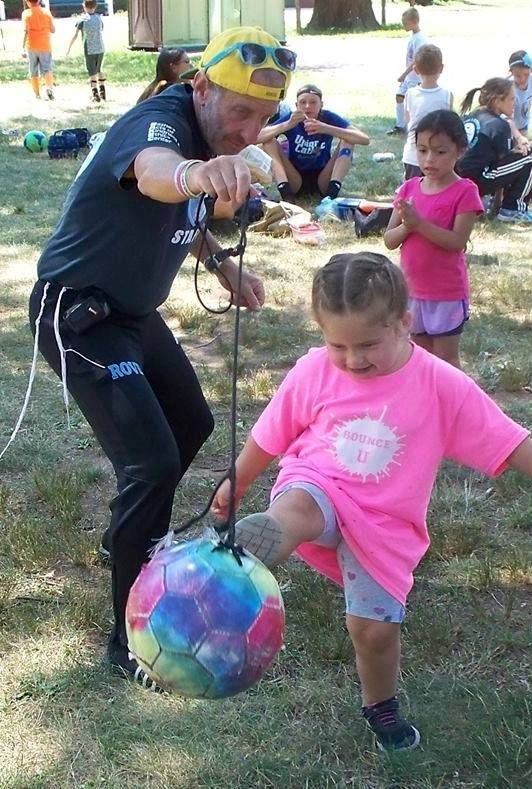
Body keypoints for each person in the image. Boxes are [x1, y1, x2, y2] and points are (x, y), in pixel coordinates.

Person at [210, 252, 532, 752]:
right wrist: (237, 483)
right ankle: (242, 559)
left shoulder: (440, 383)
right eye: (337, 345)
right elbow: (270, 434)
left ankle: (380, 705)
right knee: (299, 507)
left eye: (368, 344)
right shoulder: (313, 371)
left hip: (386, 521)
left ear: (405, 323)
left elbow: (501, 433)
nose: (352, 360)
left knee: (371, 630)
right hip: (319, 480)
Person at [28, 26, 295, 689]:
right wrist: (196, 173)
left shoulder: (212, 137)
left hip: (132, 313)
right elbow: (155, 174)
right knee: (151, 461)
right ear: (200, 87)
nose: (248, 129)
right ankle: (128, 639)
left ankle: (127, 537)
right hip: (78, 313)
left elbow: (190, 210)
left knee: (191, 427)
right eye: (239, 111)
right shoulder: (161, 122)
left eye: (263, 117)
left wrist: (223, 267)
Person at [385, 110, 483, 369]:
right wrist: (408, 228)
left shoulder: (465, 191)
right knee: (419, 357)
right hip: (412, 290)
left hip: (446, 293)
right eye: (422, 150)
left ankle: (453, 405)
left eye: (440, 152)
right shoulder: (409, 189)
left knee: (446, 361)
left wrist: (419, 224)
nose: (429, 159)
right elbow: (389, 239)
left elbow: (457, 241)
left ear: (460, 151)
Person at [259, 83, 370, 203]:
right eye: (302, 102)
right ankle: (286, 194)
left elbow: (364, 139)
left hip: (323, 179)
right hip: (295, 179)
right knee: (269, 142)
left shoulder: (327, 117)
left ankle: (331, 195)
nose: (307, 106)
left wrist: (326, 128)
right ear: (296, 105)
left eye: (313, 102)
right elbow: (256, 138)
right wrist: (287, 125)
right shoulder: (292, 118)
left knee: (348, 140)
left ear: (321, 104)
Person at [457, 77, 532, 223]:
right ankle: (514, 209)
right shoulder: (498, 125)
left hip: (458, 179)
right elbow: (502, 164)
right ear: (497, 102)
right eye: (511, 99)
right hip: (477, 181)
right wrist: (518, 151)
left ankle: (498, 205)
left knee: (520, 157)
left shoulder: (472, 116)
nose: (515, 103)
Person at [400, 44, 453, 181]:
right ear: (441, 68)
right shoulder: (447, 95)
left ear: (416, 70)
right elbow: (450, 124)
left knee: (411, 193)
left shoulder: (410, 94)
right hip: (438, 156)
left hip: (414, 155)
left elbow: (407, 120)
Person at [387, 7, 428, 136]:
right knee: (399, 97)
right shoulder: (414, 37)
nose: (403, 25)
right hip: (409, 77)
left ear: (414, 22)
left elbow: (417, 60)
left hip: (415, 77)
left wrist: (403, 74)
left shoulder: (420, 39)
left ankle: (415, 127)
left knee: (413, 103)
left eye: (405, 23)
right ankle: (400, 126)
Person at [65, 0, 106, 103]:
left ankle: (95, 94)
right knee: (99, 69)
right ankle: (103, 92)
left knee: (92, 72)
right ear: (95, 7)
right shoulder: (98, 18)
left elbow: (75, 35)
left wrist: (69, 48)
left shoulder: (82, 20)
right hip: (100, 48)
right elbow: (101, 29)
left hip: (89, 49)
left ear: (84, 7)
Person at [507, 50, 532, 137]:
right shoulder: (508, 87)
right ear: (511, 72)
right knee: (513, 148)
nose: (522, 79)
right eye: (518, 75)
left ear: (531, 70)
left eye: (526, 75)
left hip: (523, 123)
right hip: (508, 126)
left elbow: (530, 93)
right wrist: (518, 137)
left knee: (523, 149)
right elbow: (506, 116)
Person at [22, 0, 55, 101]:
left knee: (33, 71)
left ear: (27, 2)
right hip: (45, 45)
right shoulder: (46, 12)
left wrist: (22, 47)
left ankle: (37, 94)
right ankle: (49, 88)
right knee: (47, 68)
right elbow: (53, 30)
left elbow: (26, 31)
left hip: (31, 45)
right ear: (39, 1)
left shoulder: (26, 14)